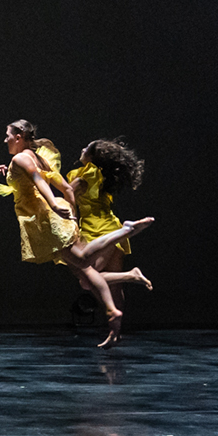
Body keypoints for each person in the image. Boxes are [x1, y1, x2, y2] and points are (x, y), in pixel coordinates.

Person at [0, 120, 152, 345]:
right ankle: (115, 320)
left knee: (84, 266)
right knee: (86, 268)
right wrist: (70, 212)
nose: (4, 139)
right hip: (65, 218)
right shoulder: (41, 159)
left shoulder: (23, 159)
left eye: (7, 135)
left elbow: (40, 182)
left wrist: (57, 207)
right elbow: (65, 188)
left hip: (53, 219)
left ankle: (126, 233)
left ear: (18, 136)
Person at [65, 138, 153, 347]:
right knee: (114, 289)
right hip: (111, 226)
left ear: (93, 157)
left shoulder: (88, 172)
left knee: (87, 278)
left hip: (98, 230)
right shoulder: (101, 175)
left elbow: (68, 191)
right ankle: (115, 334)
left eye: (86, 148)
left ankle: (132, 275)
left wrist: (68, 218)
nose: (82, 148)